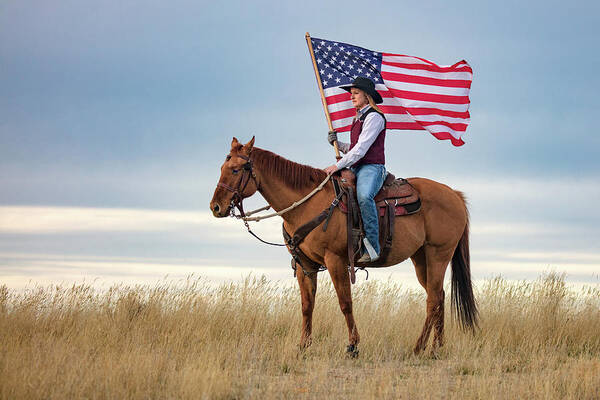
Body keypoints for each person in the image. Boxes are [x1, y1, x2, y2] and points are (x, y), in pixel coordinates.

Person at [324, 77, 387, 263]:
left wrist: (337, 165)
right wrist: (337, 143)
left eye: (356, 93)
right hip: (356, 166)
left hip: (372, 167)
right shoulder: (357, 117)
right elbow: (354, 147)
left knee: (364, 196)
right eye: (351, 94)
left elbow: (361, 149)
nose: (352, 97)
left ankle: (373, 247)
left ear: (367, 96)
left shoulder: (375, 117)